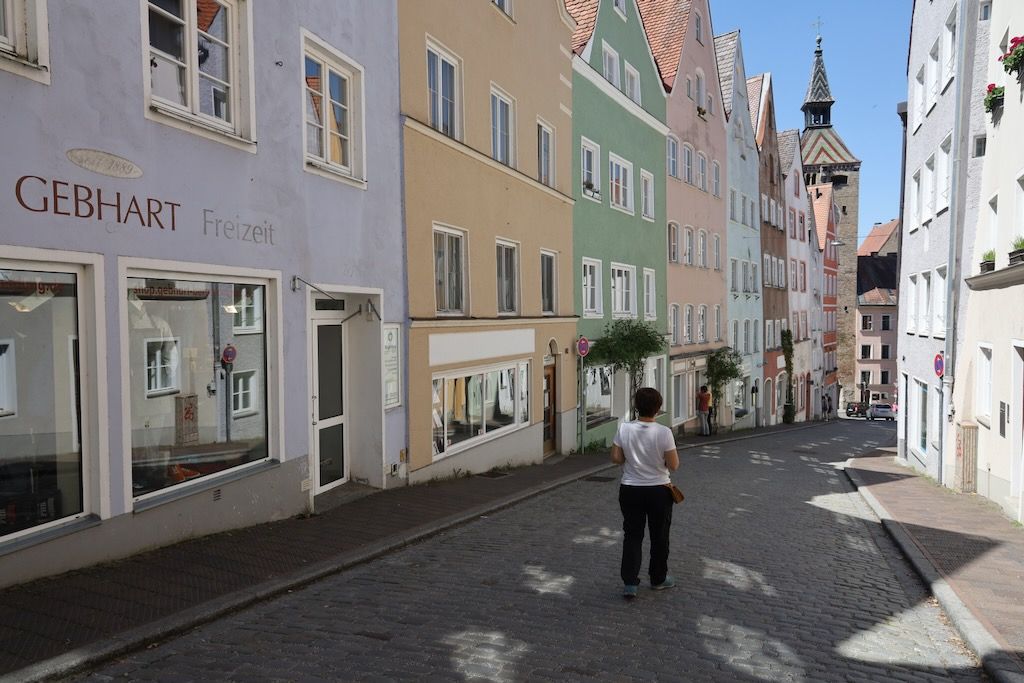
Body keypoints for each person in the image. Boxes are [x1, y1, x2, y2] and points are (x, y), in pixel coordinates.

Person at [611, 388, 680, 599]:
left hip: (631, 488)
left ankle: (630, 582)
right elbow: (674, 465)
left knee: (632, 535)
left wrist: (632, 457)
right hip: (659, 490)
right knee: (659, 536)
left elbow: (616, 458)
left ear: (636, 406)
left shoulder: (624, 429)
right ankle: (658, 578)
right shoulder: (664, 432)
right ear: (658, 408)